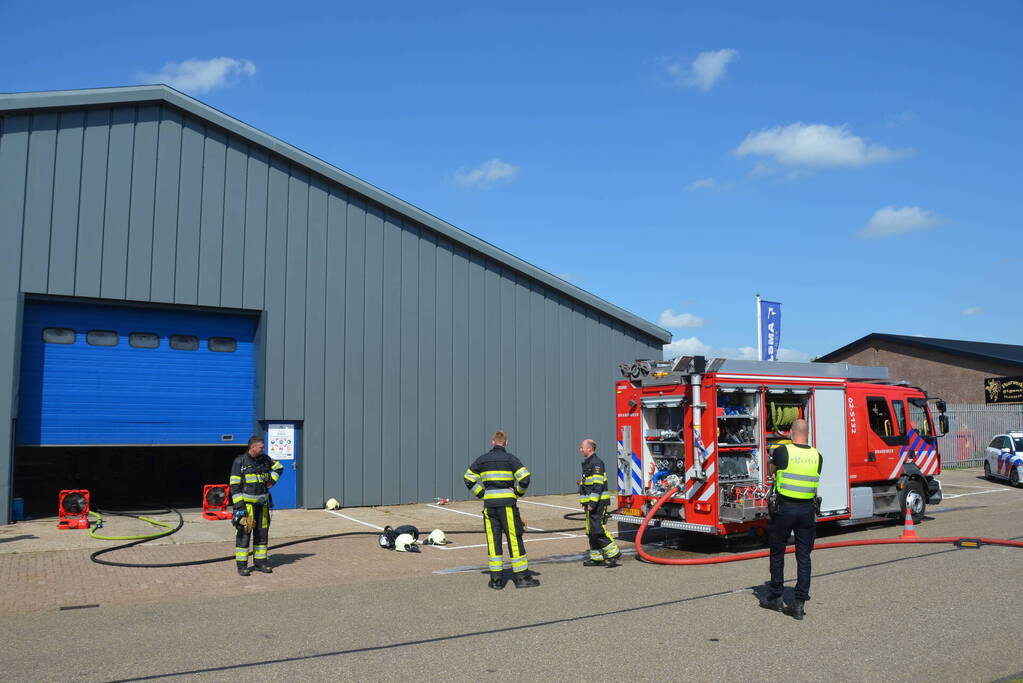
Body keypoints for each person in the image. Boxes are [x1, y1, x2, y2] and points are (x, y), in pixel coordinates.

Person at [759, 418, 821, 620]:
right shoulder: (817, 456)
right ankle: (799, 604)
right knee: (804, 557)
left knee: (778, 552)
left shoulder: (783, 451)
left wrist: (772, 462)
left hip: (784, 509)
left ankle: (775, 596)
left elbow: (772, 472)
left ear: (791, 433)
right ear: (808, 434)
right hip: (807, 511)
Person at [463, 430, 540, 589]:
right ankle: (521, 578)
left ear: (492, 442)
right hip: (507, 505)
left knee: (493, 540)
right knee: (513, 538)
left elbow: (468, 478)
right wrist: (518, 492)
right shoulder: (510, 459)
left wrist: (482, 493)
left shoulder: (482, 460)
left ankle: (496, 580)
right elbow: (525, 477)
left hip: (490, 506)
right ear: (506, 442)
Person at [229, 435, 284, 576]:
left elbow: (279, 467)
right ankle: (242, 566)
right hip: (246, 507)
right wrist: (240, 507)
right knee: (244, 535)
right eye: (261, 447)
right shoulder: (239, 461)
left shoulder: (265, 459)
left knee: (262, 535)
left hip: (262, 506)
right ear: (252, 447)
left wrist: (272, 480)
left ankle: (260, 563)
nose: (263, 449)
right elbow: (234, 486)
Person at [578, 438, 621, 568]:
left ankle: (614, 553)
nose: (580, 450)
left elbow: (598, 485)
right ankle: (596, 558)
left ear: (589, 449)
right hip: (589, 504)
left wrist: (592, 502)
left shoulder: (596, 463)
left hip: (597, 503)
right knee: (591, 530)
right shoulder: (589, 463)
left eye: (582, 447)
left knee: (597, 529)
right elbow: (591, 484)